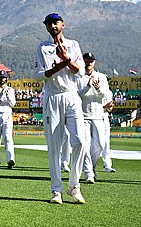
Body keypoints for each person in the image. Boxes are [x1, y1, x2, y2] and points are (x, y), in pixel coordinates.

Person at [34, 13, 86, 204]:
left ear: (63, 24)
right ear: (46, 27)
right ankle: (57, 191)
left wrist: (66, 60)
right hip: (52, 97)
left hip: (72, 96)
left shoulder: (73, 44)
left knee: (80, 141)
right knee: (54, 148)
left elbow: (79, 71)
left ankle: (74, 186)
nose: (52, 26)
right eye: (49, 23)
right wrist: (60, 65)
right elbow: (39, 76)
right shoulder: (42, 47)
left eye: (55, 22)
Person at [77, 52, 113, 184]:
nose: (89, 63)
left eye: (91, 61)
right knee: (85, 145)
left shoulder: (101, 77)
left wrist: (97, 89)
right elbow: (77, 95)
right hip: (83, 115)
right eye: (86, 60)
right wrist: (88, 86)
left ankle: (90, 167)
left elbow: (104, 96)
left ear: (94, 62)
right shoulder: (78, 76)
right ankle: (88, 174)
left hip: (98, 115)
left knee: (100, 145)